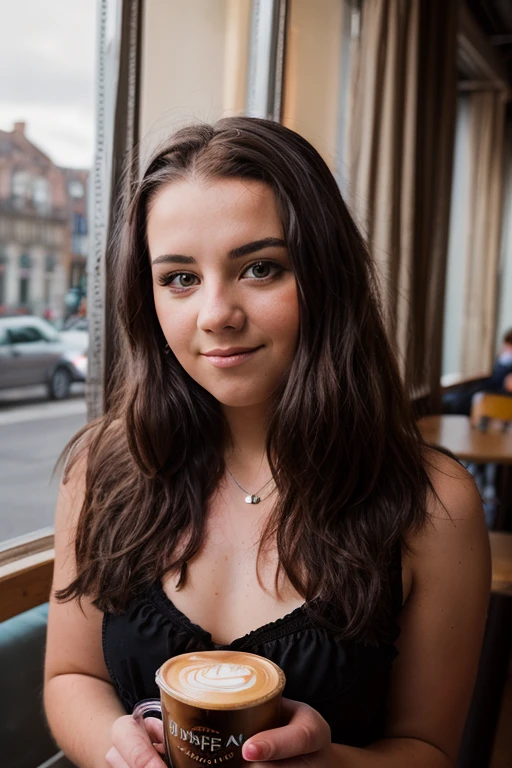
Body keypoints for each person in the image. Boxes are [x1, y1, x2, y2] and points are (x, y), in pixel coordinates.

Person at [44, 117, 490, 768]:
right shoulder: (103, 470)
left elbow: (427, 748)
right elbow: (70, 679)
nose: (216, 313)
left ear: (325, 277)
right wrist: (122, 755)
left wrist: (332, 763)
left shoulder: (434, 506)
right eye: (180, 278)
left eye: (259, 267)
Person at [442, 328, 512, 416]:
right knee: (452, 397)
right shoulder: (504, 360)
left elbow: (508, 385)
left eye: (508, 346)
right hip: (485, 390)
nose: (506, 349)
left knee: (455, 402)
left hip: (492, 397)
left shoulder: (507, 362)